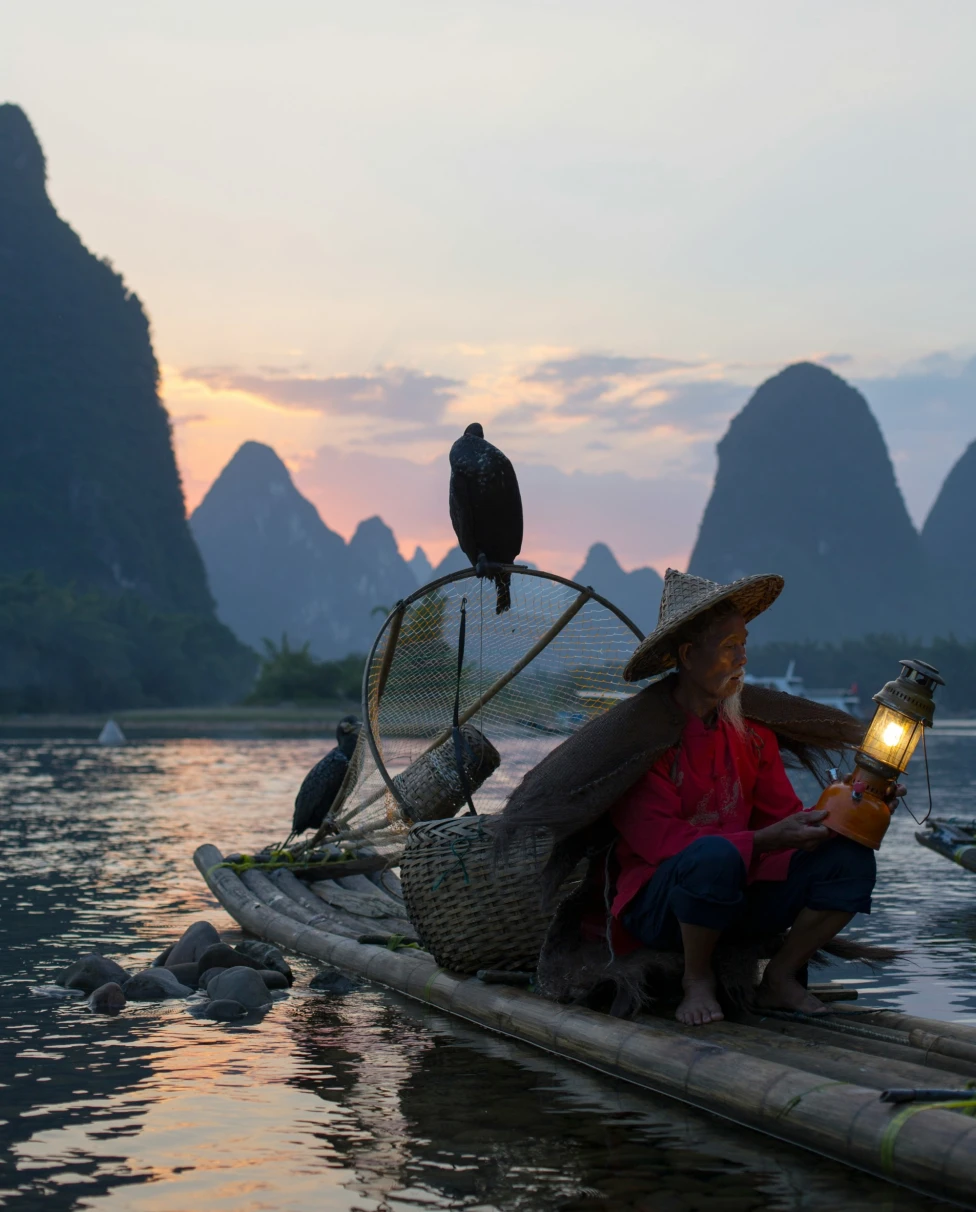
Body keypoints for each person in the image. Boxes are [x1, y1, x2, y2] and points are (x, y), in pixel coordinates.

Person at [497, 569, 893, 1025]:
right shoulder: (644, 742)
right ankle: (696, 979)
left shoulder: (751, 732)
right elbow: (664, 843)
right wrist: (763, 841)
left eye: (744, 642)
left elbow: (784, 816)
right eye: (729, 646)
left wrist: (855, 805)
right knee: (712, 856)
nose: (743, 656)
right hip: (662, 903)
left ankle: (780, 977)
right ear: (688, 655)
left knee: (849, 859)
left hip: (737, 891)